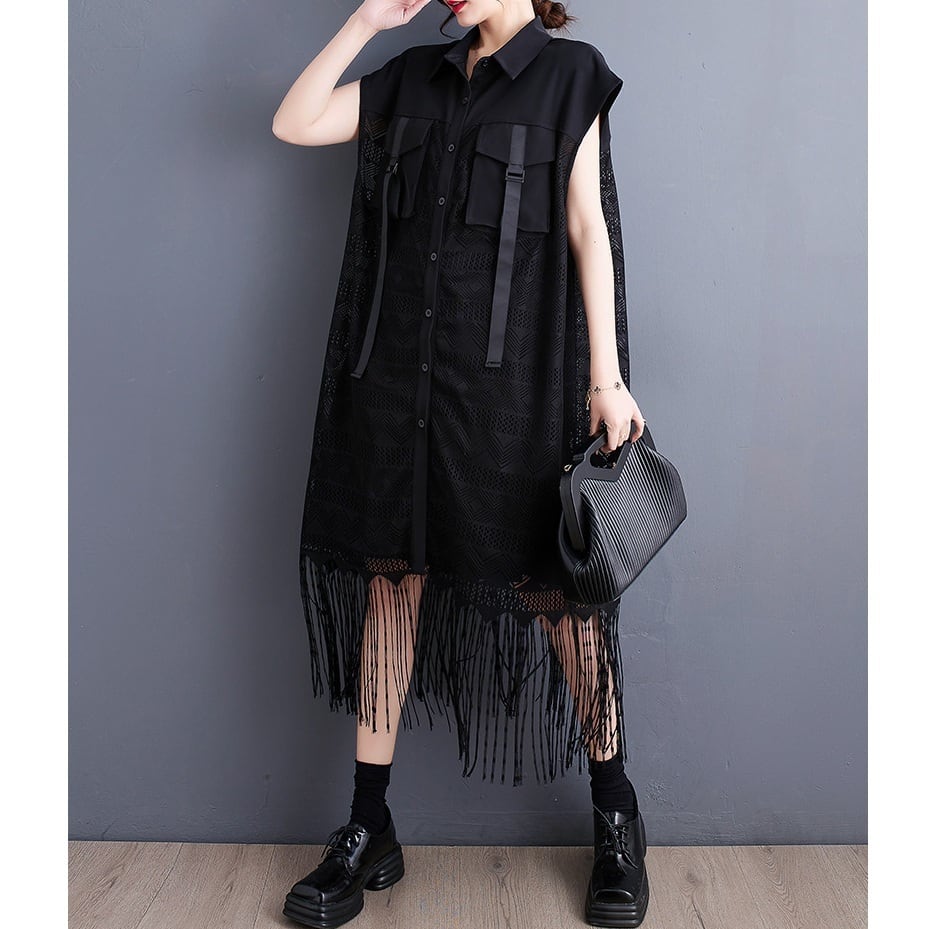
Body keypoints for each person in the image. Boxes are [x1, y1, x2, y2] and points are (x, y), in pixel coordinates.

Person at [273, 1, 649, 926]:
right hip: (395, 391)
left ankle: (615, 814)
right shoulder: (409, 77)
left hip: (509, 398)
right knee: (390, 588)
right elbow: (296, 120)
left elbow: (587, 227)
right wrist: (366, 22)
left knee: (559, 598)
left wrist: (606, 378)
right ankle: (368, 824)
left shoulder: (570, 76)